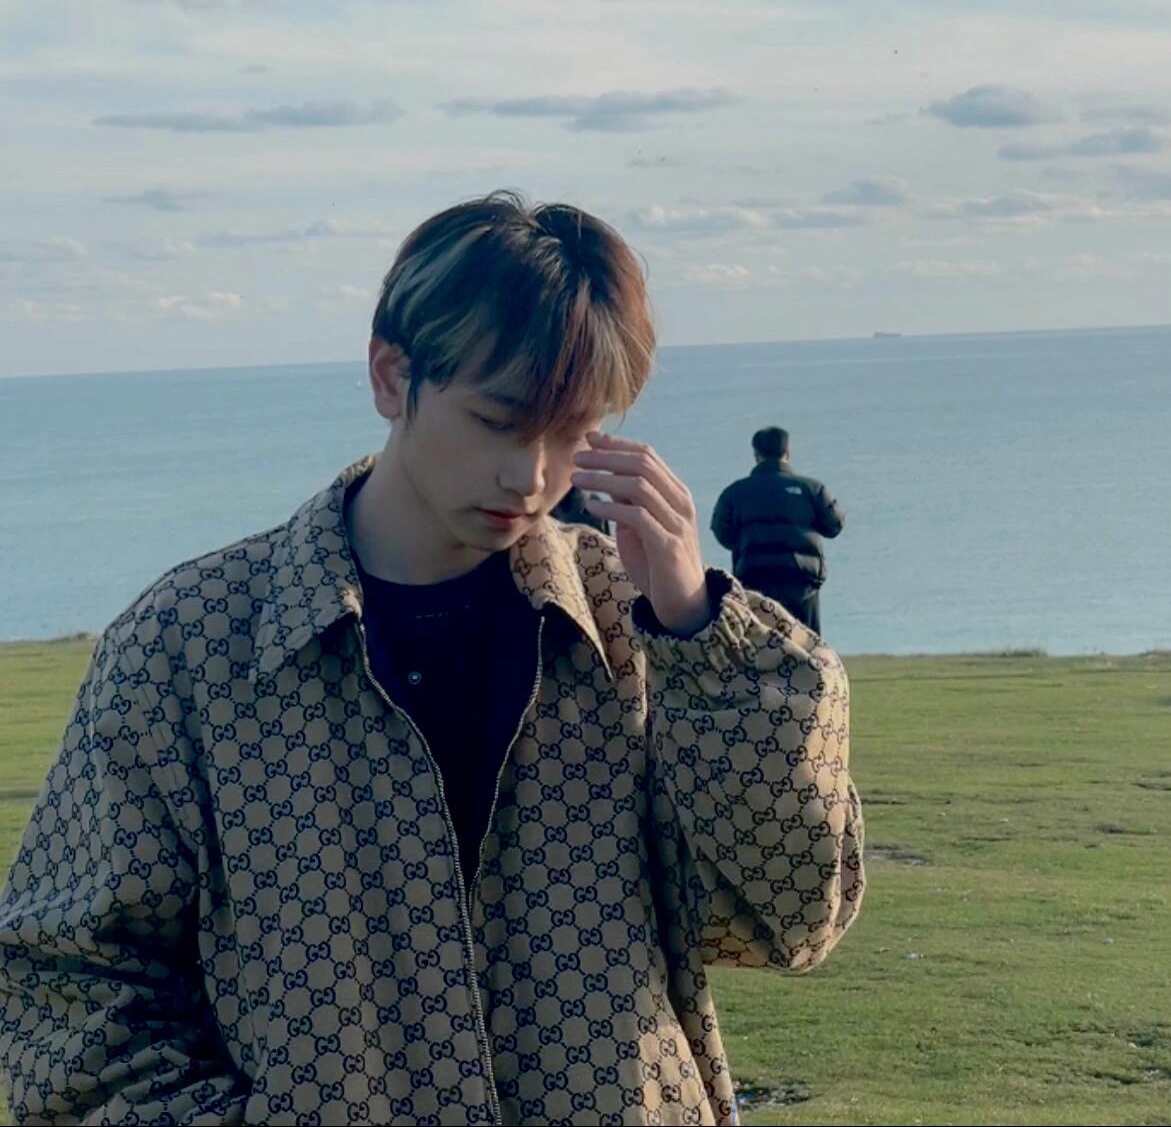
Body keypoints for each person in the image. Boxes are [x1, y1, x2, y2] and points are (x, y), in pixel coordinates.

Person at [0, 192, 864, 1126]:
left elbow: (787, 922)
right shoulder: (192, 646)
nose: (532, 475)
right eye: (499, 420)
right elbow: (69, 988)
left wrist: (701, 634)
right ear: (390, 374)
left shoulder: (642, 632)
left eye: (572, 432)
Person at [709, 426, 845, 635]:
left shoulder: (735, 493)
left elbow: (723, 533)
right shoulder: (812, 489)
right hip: (802, 578)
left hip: (754, 576)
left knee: (761, 640)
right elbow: (834, 526)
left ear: (756, 456)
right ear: (787, 454)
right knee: (808, 642)